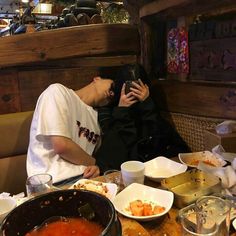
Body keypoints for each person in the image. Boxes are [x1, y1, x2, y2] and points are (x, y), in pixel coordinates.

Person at [95, 64, 190, 173]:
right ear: (120, 87)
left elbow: (158, 139)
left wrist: (147, 103)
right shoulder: (107, 110)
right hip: (125, 168)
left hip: (153, 166)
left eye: (138, 85)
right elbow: (112, 148)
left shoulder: (148, 105)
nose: (133, 91)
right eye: (129, 86)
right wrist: (122, 110)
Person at [27, 76, 115, 185]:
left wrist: (96, 168)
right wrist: (96, 164)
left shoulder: (96, 121)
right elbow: (62, 146)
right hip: (52, 181)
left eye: (115, 95)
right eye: (112, 86)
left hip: (84, 180)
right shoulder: (58, 92)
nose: (112, 94)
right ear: (97, 79)